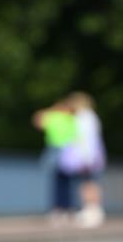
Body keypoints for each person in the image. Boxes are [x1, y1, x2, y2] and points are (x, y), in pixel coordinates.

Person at [31, 99, 80, 222]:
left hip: (63, 150)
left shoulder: (57, 116)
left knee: (60, 181)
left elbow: (37, 120)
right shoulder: (68, 117)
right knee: (64, 182)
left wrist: (52, 109)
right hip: (65, 150)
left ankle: (61, 209)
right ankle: (64, 209)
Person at [65, 93, 107, 228]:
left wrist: (87, 157)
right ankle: (92, 210)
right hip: (90, 155)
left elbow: (86, 139)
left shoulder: (84, 117)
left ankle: (92, 211)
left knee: (88, 184)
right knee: (89, 183)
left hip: (87, 156)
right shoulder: (90, 116)